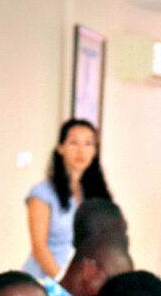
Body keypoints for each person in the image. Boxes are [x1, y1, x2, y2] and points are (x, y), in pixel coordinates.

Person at [23, 119, 112, 279]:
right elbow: (39, 248)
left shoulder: (95, 193)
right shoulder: (42, 193)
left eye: (88, 144)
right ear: (60, 148)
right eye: (73, 142)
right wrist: (64, 284)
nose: (81, 150)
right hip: (47, 282)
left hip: (81, 283)